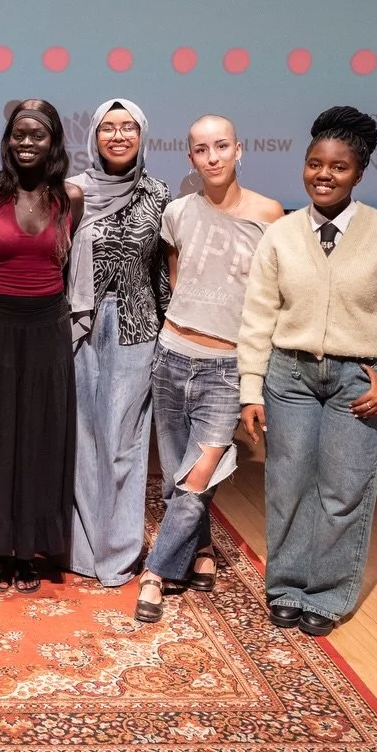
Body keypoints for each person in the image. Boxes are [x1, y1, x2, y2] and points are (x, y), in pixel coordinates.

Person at [238, 106, 377, 637]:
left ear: (359, 173)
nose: (323, 175)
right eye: (314, 164)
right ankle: (287, 586)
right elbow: (258, 317)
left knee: (344, 492)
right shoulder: (280, 235)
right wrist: (251, 388)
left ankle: (326, 594)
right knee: (288, 485)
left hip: (357, 380)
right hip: (290, 376)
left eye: (338, 167)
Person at [134, 116, 282, 623]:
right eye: (202, 149)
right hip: (172, 356)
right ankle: (201, 551)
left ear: (239, 150)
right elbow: (177, 278)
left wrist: (255, 379)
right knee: (180, 477)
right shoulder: (176, 212)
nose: (213, 156)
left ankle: (156, 572)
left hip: (227, 366)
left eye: (222, 146)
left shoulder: (269, 214)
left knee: (198, 477)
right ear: (190, 157)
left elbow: (270, 300)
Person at [0, 101, 84, 592]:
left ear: (54, 141)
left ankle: (31, 548)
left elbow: (69, 269)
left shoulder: (70, 197)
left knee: (41, 437)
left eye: (38, 135)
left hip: (48, 327)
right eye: (18, 135)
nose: (27, 143)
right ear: (8, 140)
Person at [66, 99, 171, 588]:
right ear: (94, 137)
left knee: (124, 441)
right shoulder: (73, 192)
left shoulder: (159, 194)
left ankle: (119, 553)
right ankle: (82, 549)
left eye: (128, 126)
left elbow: (163, 274)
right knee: (84, 437)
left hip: (136, 326)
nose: (118, 135)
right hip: (79, 325)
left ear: (142, 135)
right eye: (108, 127)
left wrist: (170, 334)